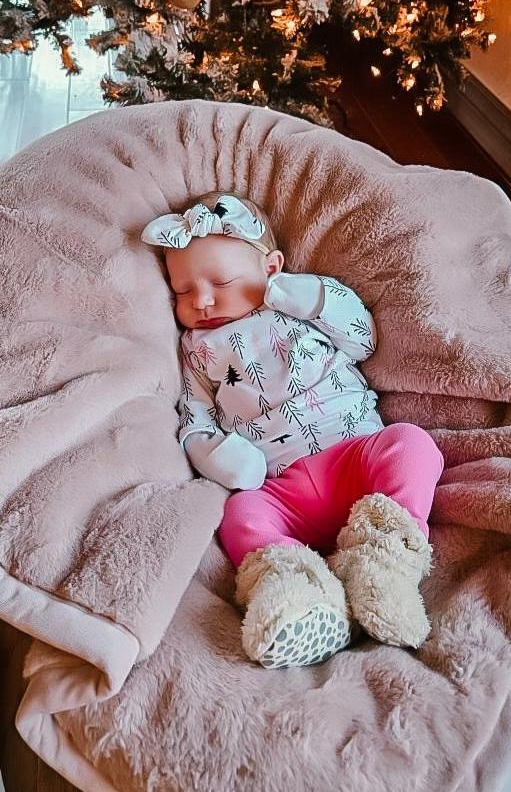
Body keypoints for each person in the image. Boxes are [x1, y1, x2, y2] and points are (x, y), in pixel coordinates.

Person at [141, 191, 444, 669]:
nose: (200, 300)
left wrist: (315, 298)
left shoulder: (298, 303)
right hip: (283, 491)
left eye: (221, 281)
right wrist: (214, 452)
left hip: (355, 456)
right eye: (181, 290)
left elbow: (362, 339)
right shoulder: (196, 348)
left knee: (411, 444)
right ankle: (297, 593)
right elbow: (193, 413)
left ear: (271, 267)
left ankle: (384, 560)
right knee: (240, 512)